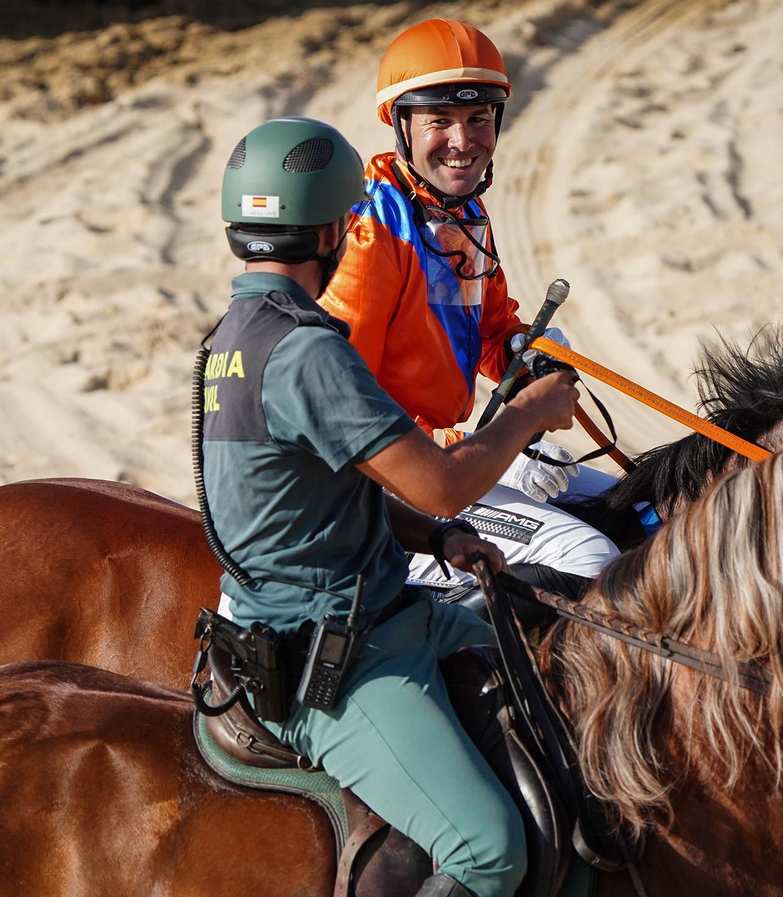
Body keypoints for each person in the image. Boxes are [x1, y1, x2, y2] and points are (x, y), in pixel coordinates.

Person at [201, 116, 581, 897]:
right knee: (488, 851)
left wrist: (438, 540)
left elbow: (322, 490)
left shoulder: (233, 337)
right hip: (333, 664)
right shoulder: (308, 350)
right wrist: (530, 413)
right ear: (336, 225)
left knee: (569, 674)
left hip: (379, 611)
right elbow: (441, 478)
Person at [319, 18, 619, 597]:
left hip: (441, 462)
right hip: (385, 487)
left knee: (631, 507)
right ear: (400, 126)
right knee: (590, 558)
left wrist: (523, 353)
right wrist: (487, 450)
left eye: (478, 118)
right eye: (440, 121)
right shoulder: (370, 234)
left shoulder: (461, 215)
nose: (463, 141)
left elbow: (490, 329)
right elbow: (342, 404)